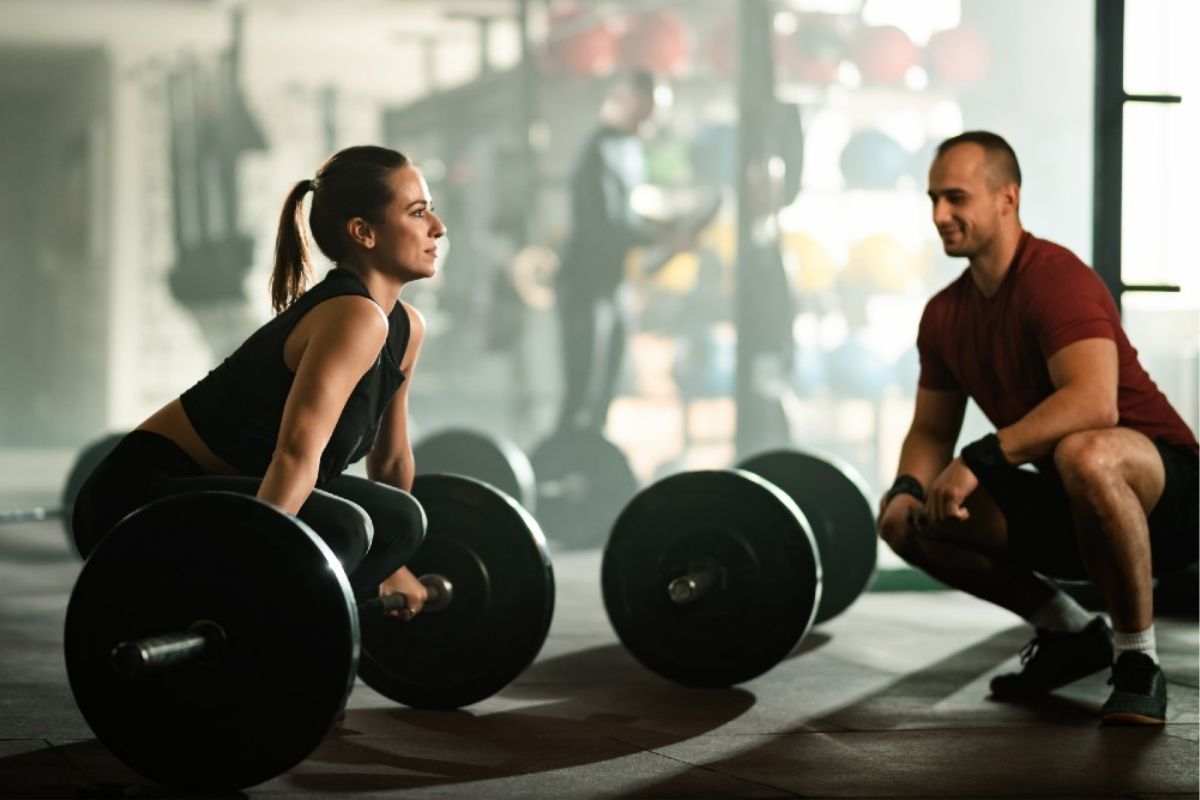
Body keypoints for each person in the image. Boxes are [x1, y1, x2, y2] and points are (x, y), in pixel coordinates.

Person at [877, 131, 1198, 725]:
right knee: (910, 522)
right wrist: (906, 489)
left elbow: (1093, 403)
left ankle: (1137, 663)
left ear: (1007, 198)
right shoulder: (946, 314)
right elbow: (928, 432)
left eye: (955, 198)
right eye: (932, 200)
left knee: (1086, 452)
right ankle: (1070, 633)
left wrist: (977, 460)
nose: (940, 216)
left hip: (1169, 498)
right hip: (1072, 505)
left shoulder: (1055, 278)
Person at [74, 145, 446, 620]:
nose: (438, 228)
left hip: (235, 491)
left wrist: (393, 563)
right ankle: (250, 625)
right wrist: (253, 573)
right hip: (136, 499)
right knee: (344, 528)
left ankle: (287, 623)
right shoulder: (352, 316)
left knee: (400, 521)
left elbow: (392, 459)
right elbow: (294, 456)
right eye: (418, 213)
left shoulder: (404, 327)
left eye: (431, 211)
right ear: (363, 233)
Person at [555, 70, 693, 433]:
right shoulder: (599, 151)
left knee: (606, 394)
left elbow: (631, 218)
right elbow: (606, 224)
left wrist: (665, 232)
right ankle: (559, 465)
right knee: (581, 393)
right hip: (585, 286)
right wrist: (663, 237)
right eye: (647, 109)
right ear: (626, 100)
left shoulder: (631, 150)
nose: (653, 119)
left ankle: (591, 468)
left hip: (613, 286)